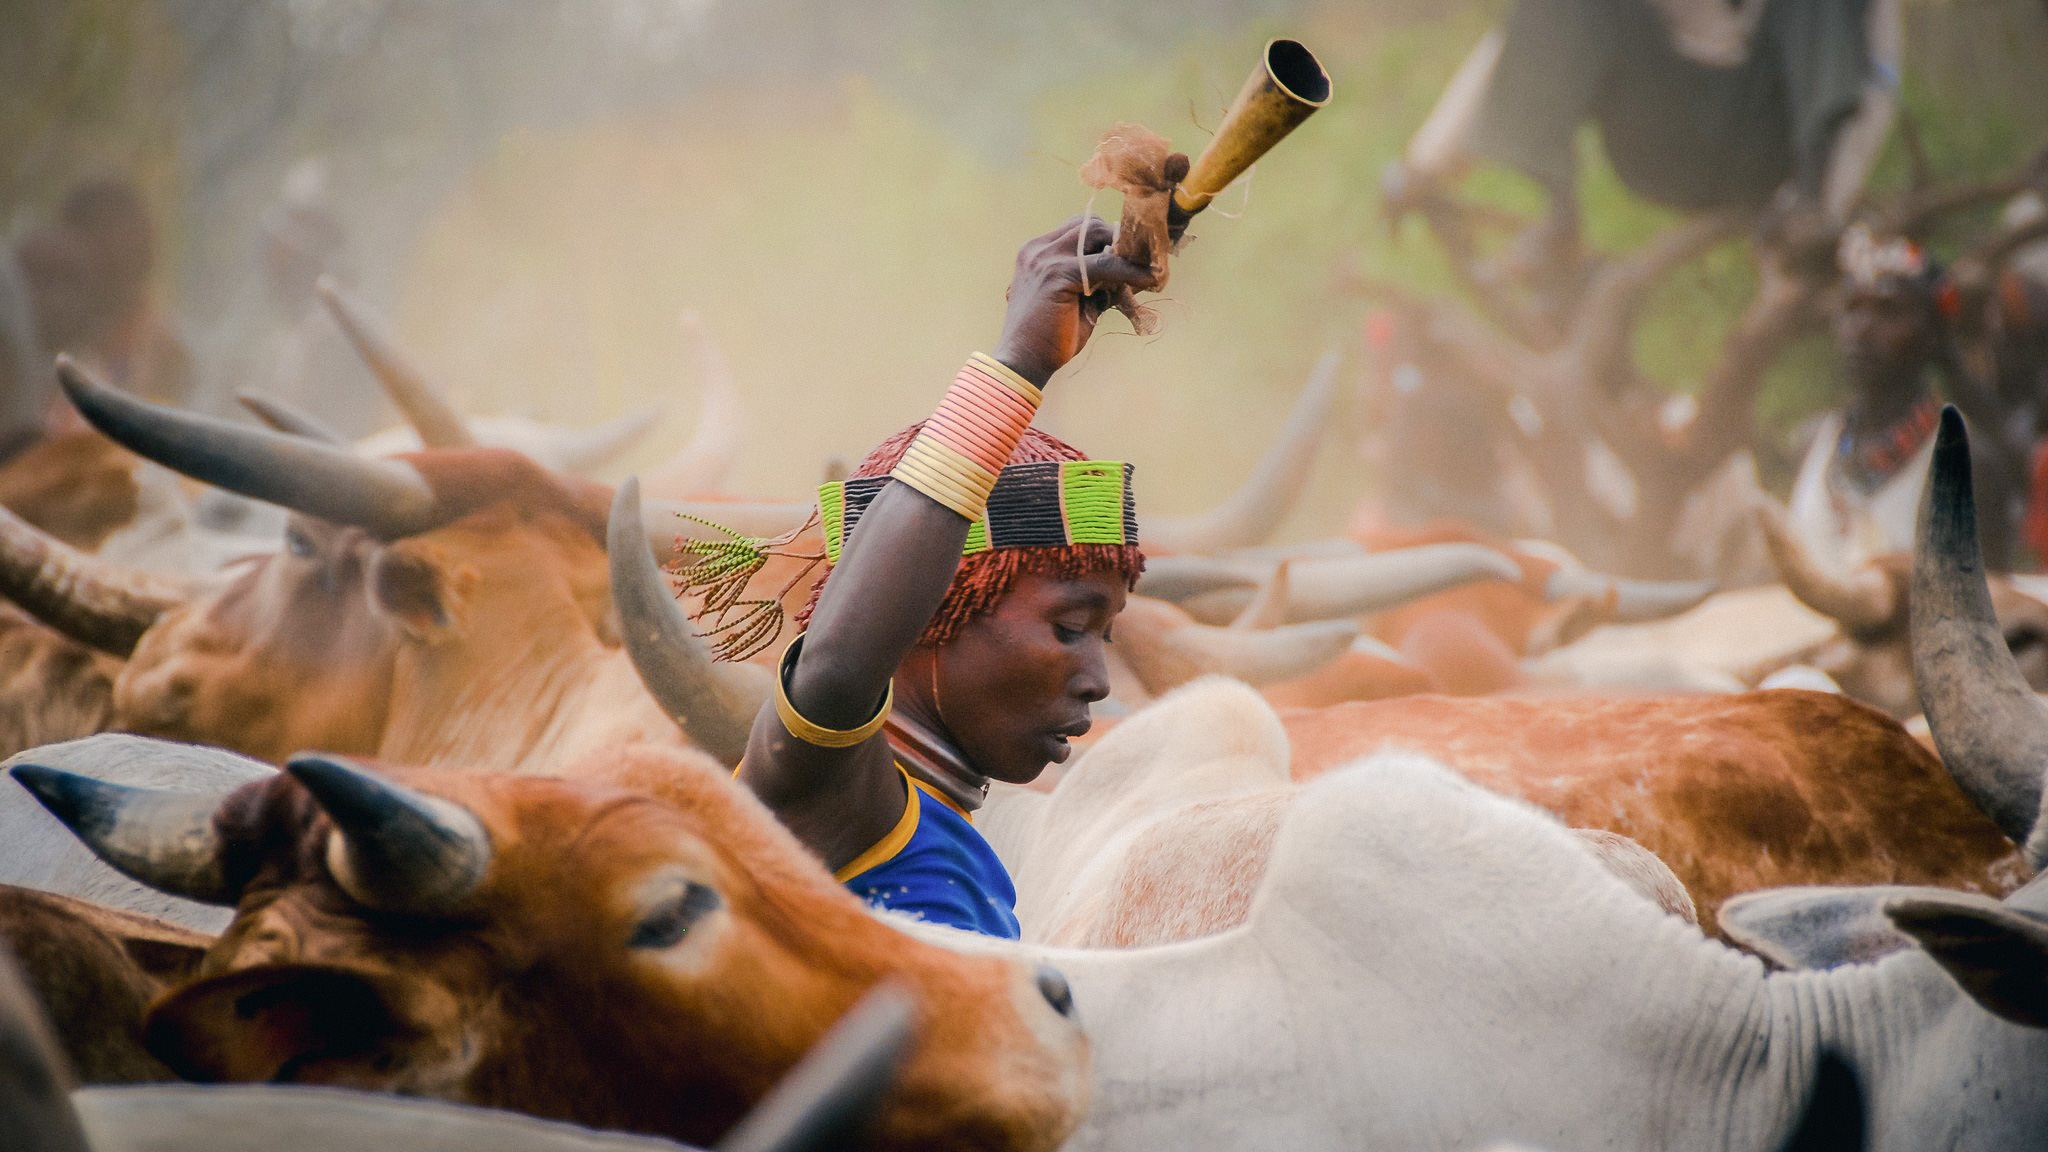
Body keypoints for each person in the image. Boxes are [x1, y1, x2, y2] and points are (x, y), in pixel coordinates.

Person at [732, 215, 1155, 938]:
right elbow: (837, 666)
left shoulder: (940, 825)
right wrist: (1020, 361)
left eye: (1104, 636)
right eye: (1069, 628)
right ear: (928, 608)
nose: (1100, 680)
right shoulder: (824, 793)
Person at [1789, 225, 2029, 568]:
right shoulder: (1811, 446)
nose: (1862, 327)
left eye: (1889, 311)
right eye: (1853, 308)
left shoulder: (1970, 469)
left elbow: (1990, 610)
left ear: (1934, 335)